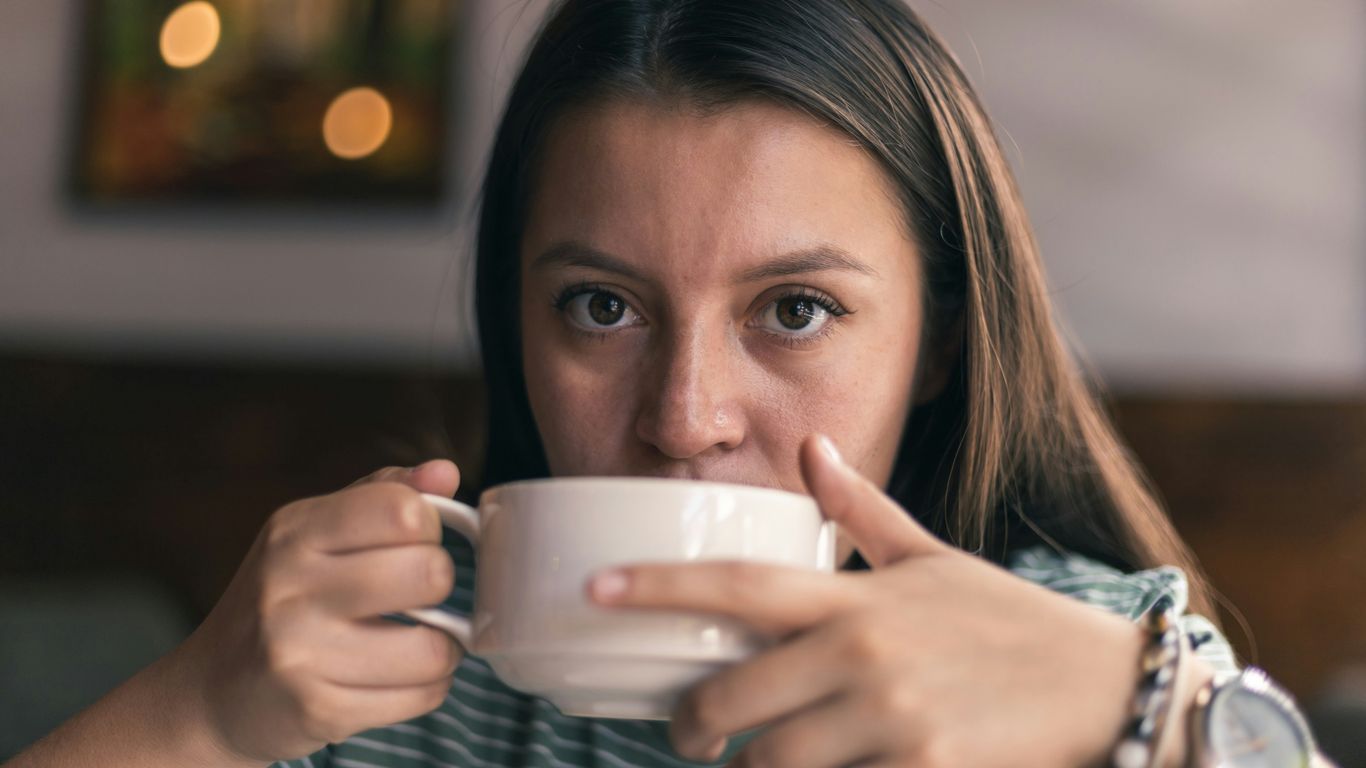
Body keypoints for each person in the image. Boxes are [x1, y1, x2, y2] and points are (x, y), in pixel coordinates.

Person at [8, 0, 1330, 767]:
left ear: (937, 342)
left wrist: (1146, 717)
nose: (682, 416)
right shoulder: (400, 666)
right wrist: (194, 714)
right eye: (601, 308)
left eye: (795, 311)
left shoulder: (1082, 653)